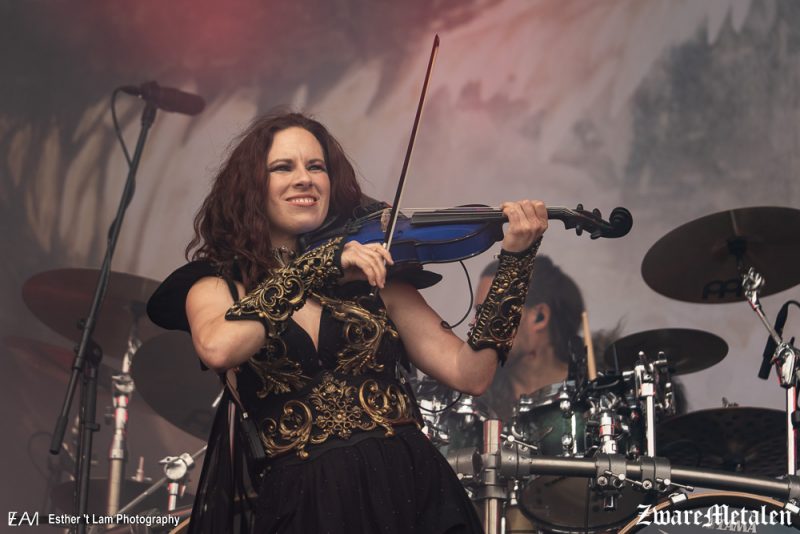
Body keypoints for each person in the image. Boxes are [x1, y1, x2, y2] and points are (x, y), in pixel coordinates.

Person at [146, 111, 548, 533]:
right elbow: (218, 348)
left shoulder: (371, 272)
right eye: (283, 167)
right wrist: (317, 265)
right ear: (250, 186)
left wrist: (516, 262)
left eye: (315, 167)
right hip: (304, 500)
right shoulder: (216, 284)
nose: (305, 179)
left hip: (410, 486)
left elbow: (471, 374)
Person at [476, 255, 585, 422]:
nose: (475, 324)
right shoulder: (477, 404)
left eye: (489, 312)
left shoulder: (594, 400)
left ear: (540, 317)